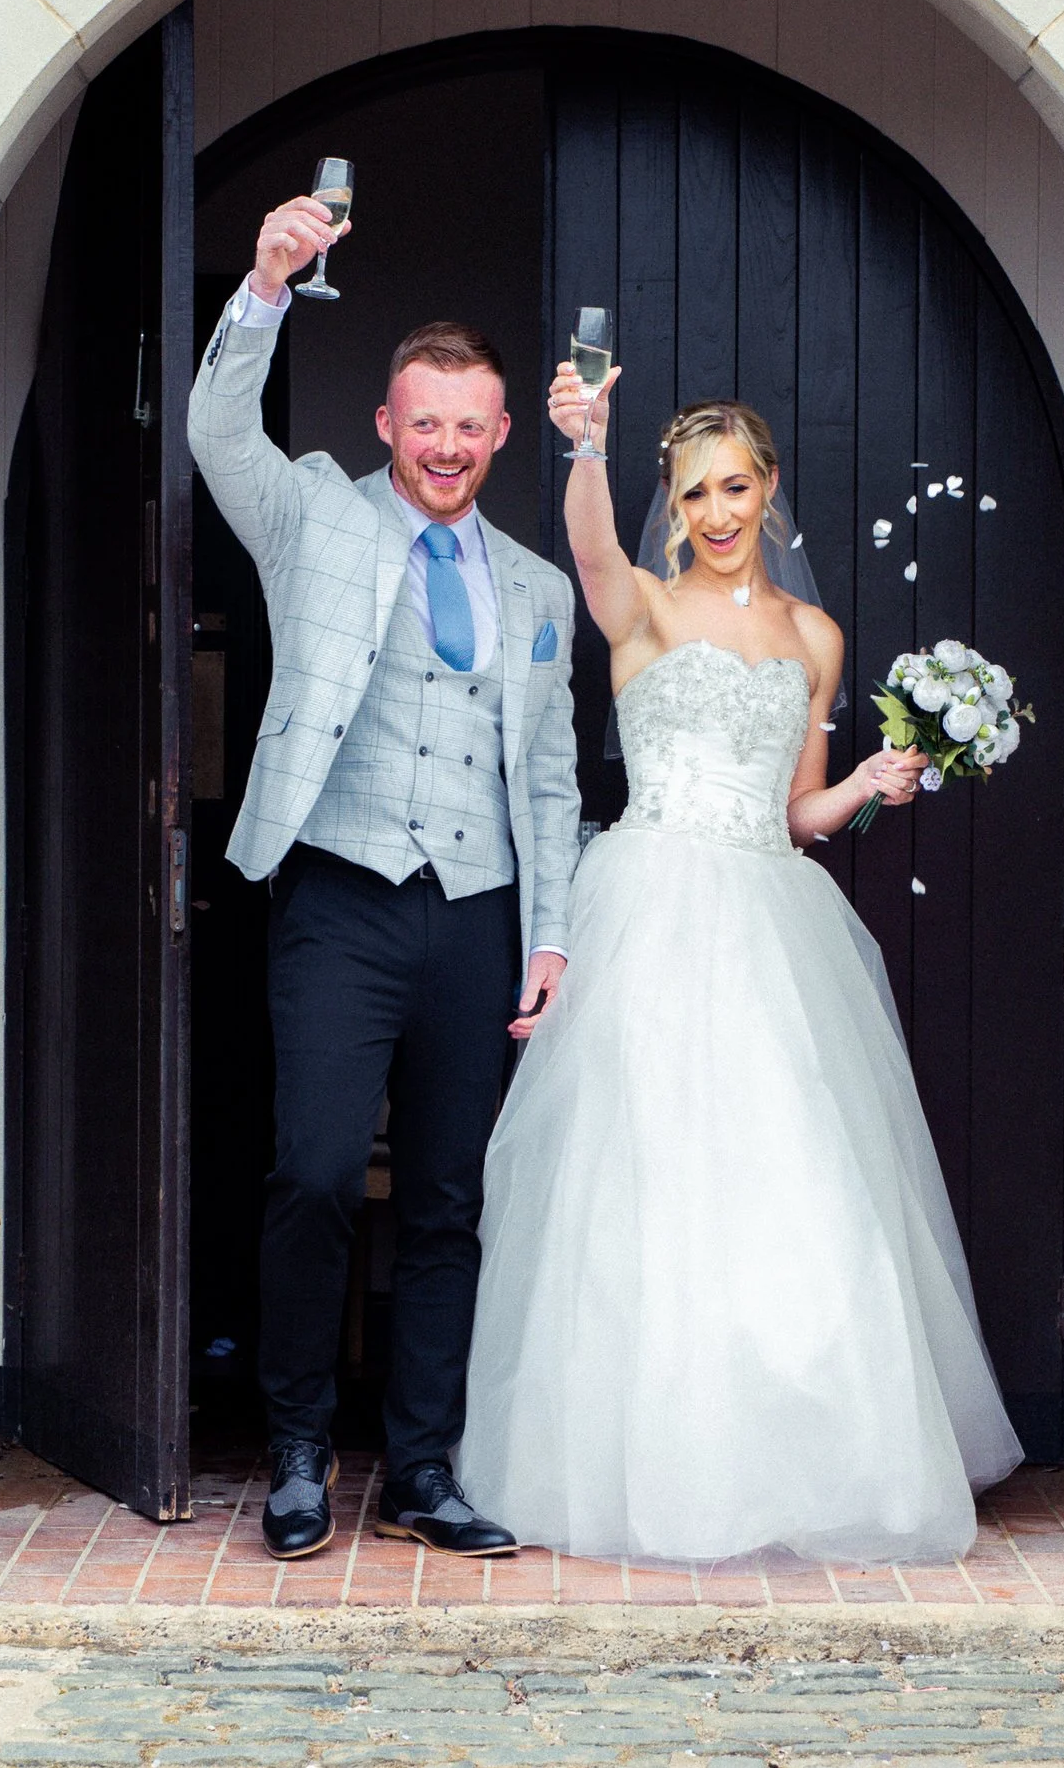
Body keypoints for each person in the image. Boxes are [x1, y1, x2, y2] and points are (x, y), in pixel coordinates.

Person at [457, 360, 1019, 1565]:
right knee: (643, 1185)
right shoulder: (642, 609)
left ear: (769, 489)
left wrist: (868, 783)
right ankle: (647, 1464)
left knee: (794, 1179)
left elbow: (798, 810)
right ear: (672, 503)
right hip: (652, 909)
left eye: (735, 488)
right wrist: (586, 449)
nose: (716, 514)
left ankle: (811, 1468)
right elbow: (592, 552)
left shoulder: (814, 634)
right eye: (694, 494)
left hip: (769, 921)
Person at [188, 193, 580, 1564]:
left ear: (498, 434)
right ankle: (297, 1447)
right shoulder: (310, 517)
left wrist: (552, 936)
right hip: (342, 893)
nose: (448, 447)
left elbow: (548, 779)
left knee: (445, 1199)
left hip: (477, 916)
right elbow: (215, 433)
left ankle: (419, 1463)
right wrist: (267, 285)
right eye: (427, 422)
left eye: (471, 425)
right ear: (387, 424)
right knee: (307, 1172)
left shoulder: (538, 589)